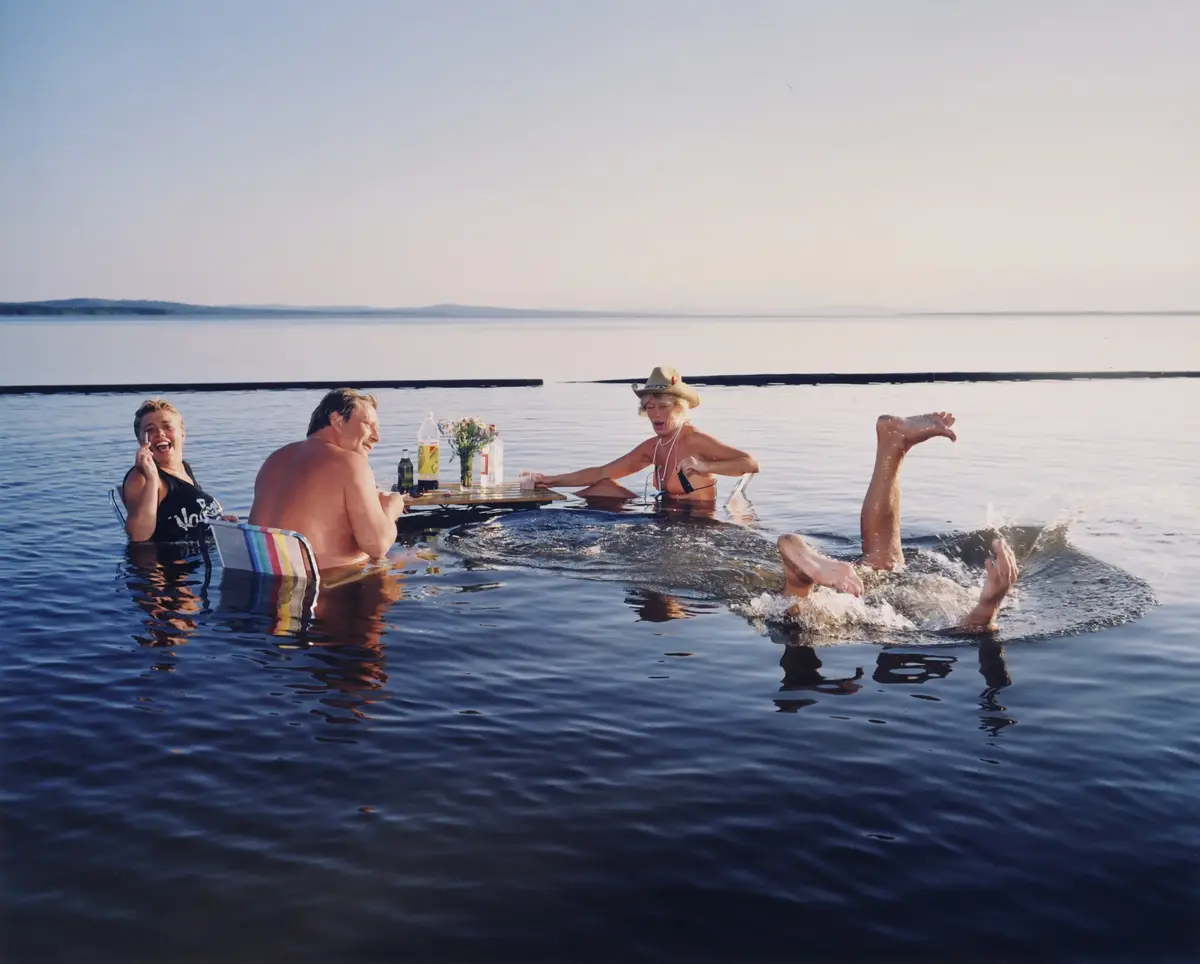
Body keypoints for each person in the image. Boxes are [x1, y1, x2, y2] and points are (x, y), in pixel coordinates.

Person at [776, 412, 1020, 632]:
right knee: (882, 564)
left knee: (876, 566)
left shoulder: (819, 608)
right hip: (854, 592)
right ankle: (893, 443)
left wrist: (990, 604)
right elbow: (969, 628)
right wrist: (990, 604)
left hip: (842, 591)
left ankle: (894, 444)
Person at [533, 365, 759, 503]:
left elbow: (749, 464)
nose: (656, 414)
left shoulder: (694, 439)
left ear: (680, 408)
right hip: (661, 517)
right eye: (650, 408)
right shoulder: (654, 447)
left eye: (663, 407)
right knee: (603, 486)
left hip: (695, 528)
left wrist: (706, 467)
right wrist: (552, 481)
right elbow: (603, 471)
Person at [249, 388, 408, 571]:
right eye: (367, 424)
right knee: (413, 559)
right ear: (337, 420)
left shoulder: (274, 459)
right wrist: (391, 506)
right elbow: (377, 545)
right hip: (323, 590)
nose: (376, 437)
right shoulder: (350, 463)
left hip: (261, 583)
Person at [122, 398, 225, 543]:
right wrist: (151, 479)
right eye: (149, 430)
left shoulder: (184, 468)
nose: (160, 433)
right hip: (169, 563)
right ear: (141, 441)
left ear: (182, 434)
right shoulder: (141, 477)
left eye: (167, 427)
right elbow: (138, 536)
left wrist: (218, 522)